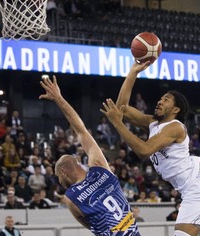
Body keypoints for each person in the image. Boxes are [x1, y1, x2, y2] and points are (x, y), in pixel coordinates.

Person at [101, 62, 200, 236]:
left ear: (175, 109)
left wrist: (117, 123)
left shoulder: (175, 127)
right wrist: (133, 72)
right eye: (160, 98)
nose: (160, 101)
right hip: (198, 182)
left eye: (166, 99)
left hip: (195, 187)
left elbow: (144, 151)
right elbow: (121, 108)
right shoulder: (153, 124)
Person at [39, 75, 140, 236]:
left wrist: (57, 98)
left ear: (64, 172)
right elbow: (81, 130)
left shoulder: (71, 197)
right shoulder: (100, 167)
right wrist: (59, 98)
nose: (60, 181)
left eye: (59, 177)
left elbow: (90, 224)